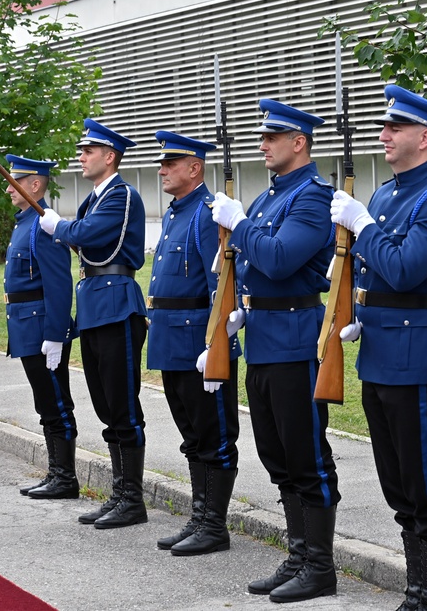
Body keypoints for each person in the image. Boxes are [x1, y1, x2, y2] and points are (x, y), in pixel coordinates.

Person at [329, 86, 427, 611]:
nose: (383, 136)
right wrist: (362, 315)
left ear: (425, 137)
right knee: (396, 482)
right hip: (382, 348)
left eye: (395, 129)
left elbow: (407, 267)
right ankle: (415, 591)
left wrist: (361, 225)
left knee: (424, 483)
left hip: (418, 351)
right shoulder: (387, 193)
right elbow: (374, 271)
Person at [209, 98, 339, 603]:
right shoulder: (267, 199)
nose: (262, 144)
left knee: (307, 457)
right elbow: (250, 265)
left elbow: (279, 258)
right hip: (263, 335)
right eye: (262, 137)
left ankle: (320, 566)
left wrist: (241, 226)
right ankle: (299, 554)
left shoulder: (311, 197)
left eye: (272, 137)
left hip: (294, 339)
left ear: (298, 142)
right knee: (277, 457)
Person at [39, 119, 149, 530]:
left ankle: (131, 499)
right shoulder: (94, 198)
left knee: (122, 404)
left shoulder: (122, 195)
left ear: (110, 156)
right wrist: (66, 228)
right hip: (94, 306)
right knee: (105, 405)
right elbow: (82, 232)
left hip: (117, 304)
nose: (81, 157)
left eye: (89, 151)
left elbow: (89, 233)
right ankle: (120, 493)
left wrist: (58, 226)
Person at [147, 131, 241, 557]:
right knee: (191, 433)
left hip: (198, 343)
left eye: (171, 163)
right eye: (162, 163)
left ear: (195, 168)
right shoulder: (175, 212)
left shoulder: (208, 213)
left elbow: (222, 285)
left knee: (213, 435)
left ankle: (213, 525)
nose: (162, 170)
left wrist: (217, 343)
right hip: (171, 339)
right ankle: (200, 516)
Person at [3, 154, 78, 500]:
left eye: (14, 181)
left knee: (56, 402)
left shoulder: (43, 225)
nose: (8, 188)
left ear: (35, 184)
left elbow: (59, 285)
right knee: (44, 403)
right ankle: (56, 473)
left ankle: (65, 478)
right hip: (25, 327)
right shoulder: (25, 222)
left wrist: (55, 335)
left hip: (41, 330)